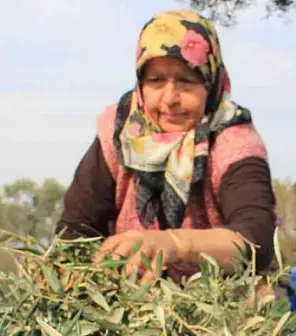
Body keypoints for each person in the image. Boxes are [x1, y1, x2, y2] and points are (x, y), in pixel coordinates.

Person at [56, 9, 278, 284]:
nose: (170, 98)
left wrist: (175, 244)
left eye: (186, 81)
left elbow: (255, 243)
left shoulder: (234, 141)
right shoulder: (121, 133)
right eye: (156, 80)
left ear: (210, 82)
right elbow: (74, 234)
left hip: (220, 300)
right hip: (133, 296)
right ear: (140, 83)